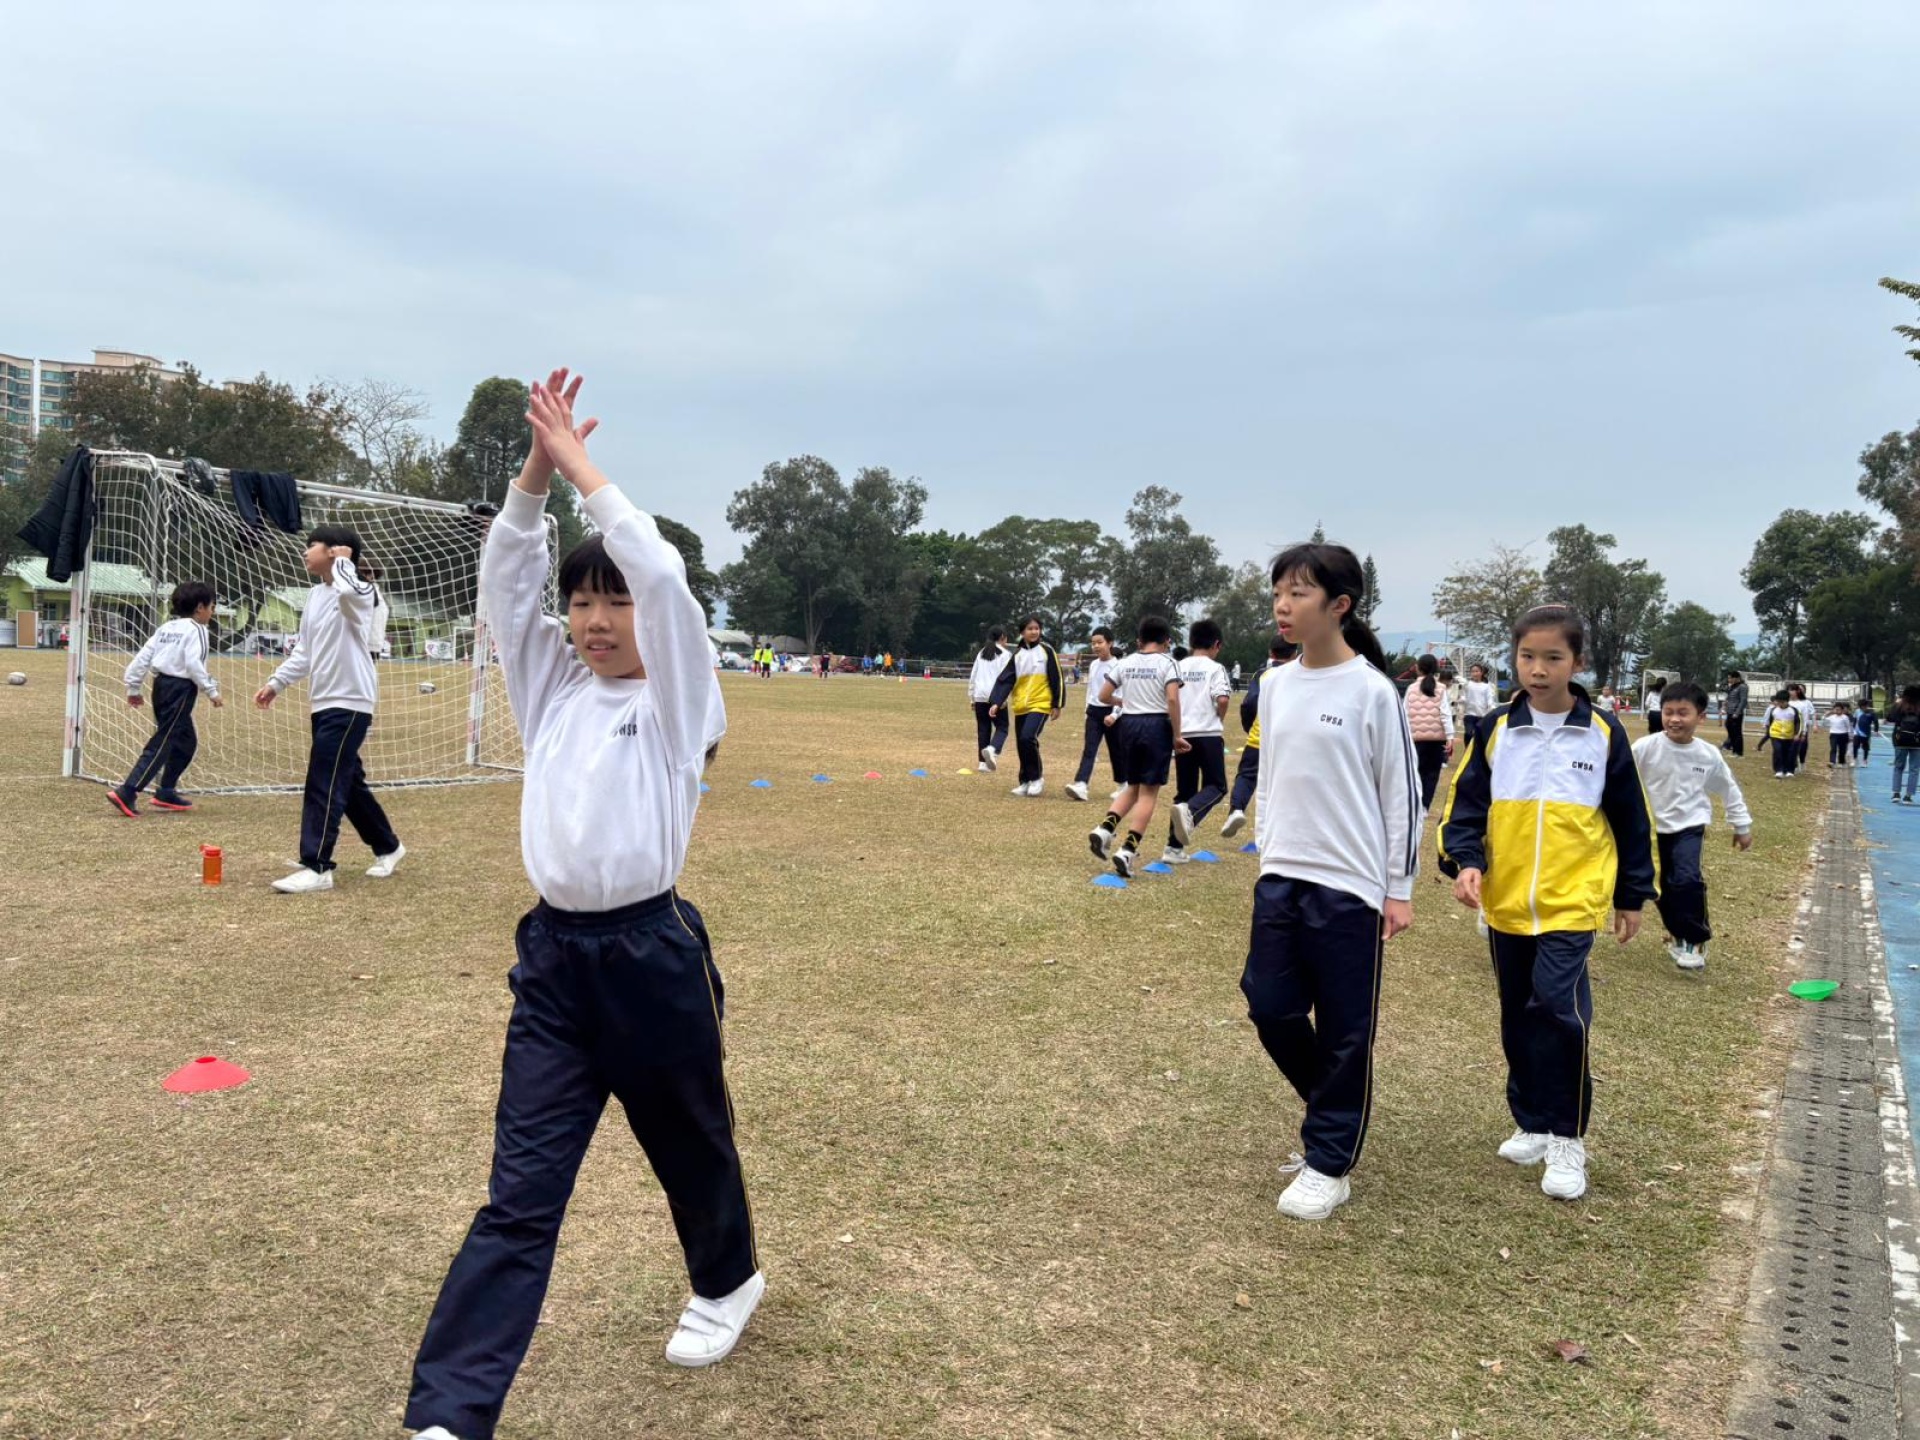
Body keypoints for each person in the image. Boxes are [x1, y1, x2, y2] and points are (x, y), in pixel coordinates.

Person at [406, 372, 759, 1440]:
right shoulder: (552, 691)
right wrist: (533, 475)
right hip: (555, 963)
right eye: (582, 602)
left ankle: (728, 1281)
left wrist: (586, 474)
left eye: (615, 602)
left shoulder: (681, 703)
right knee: (519, 1195)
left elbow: (667, 580)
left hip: (651, 956)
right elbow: (505, 581)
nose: (597, 621)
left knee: (690, 1144)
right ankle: (449, 1414)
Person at [1438, 603, 1655, 1204]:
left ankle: (1566, 1136)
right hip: (1507, 902)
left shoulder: (1603, 733)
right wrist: (1467, 861)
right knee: (1518, 1014)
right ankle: (1532, 1120)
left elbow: (1632, 818)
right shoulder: (1495, 729)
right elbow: (1465, 807)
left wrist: (1632, 895)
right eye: (1527, 656)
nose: (1538, 669)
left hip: (1572, 901)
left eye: (1553, 658)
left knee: (1558, 1010)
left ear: (1576, 663)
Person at [1243, 543, 1418, 1221]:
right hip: (1282, 875)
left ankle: (1329, 1162)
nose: (1283, 607)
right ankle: (1333, 1110)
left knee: (1346, 1028)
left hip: (1350, 885)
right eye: (1278, 594)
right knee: (1269, 1004)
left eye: (1299, 593)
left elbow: (1401, 794)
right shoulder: (1275, 684)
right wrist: (1267, 851)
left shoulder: (1373, 691)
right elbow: (1270, 778)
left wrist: (1398, 888)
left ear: (1339, 605)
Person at [253, 526, 404, 894]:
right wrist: (276, 682)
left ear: (336, 551)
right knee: (347, 782)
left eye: (313, 546)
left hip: (350, 701)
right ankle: (388, 846)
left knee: (324, 780)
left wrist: (345, 564)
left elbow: (351, 594)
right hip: (323, 700)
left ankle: (317, 865)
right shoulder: (314, 595)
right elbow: (305, 650)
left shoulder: (361, 590)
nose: (305, 552)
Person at [1632, 681, 1752, 970]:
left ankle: (1696, 940)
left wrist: (1741, 825)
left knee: (1686, 880)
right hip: (1651, 830)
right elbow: (1619, 780)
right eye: (1668, 712)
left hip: (1689, 827)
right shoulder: (1645, 748)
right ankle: (1677, 934)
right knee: (1659, 888)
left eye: (1683, 713)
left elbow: (1728, 789)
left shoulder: (1708, 754)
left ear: (1701, 717)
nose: (1674, 719)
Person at [109, 580, 224, 816]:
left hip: (160, 686)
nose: (212, 612)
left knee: (186, 741)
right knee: (164, 741)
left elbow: (143, 657)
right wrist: (211, 690)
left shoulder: (166, 628)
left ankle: (166, 791)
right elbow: (194, 664)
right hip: (180, 689)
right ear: (200, 607)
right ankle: (128, 791)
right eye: (212, 607)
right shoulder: (198, 630)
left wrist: (133, 687)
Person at [1088, 615, 1184, 877]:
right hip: (1156, 726)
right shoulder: (1169, 663)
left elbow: (1103, 695)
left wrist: (1123, 702)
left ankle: (1105, 829)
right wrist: (1178, 735)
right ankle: (1128, 849)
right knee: (1149, 792)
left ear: (1140, 640)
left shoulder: (1126, 661)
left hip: (1128, 725)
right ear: (1167, 641)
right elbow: (1172, 700)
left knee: (1132, 785)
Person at [1165, 618, 1233, 861]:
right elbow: (1222, 699)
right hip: (1208, 734)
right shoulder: (1216, 668)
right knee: (1217, 786)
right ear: (1217, 644)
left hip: (1182, 734)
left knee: (1185, 791)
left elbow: (1168, 698)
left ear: (1192, 642)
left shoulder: (1177, 666)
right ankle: (1190, 813)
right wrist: (1219, 717)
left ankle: (1173, 848)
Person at [1221, 637, 1299, 839]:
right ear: (1295, 653)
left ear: (1271, 653)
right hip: (1290, 742)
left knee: (1247, 776)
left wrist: (1250, 727)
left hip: (1259, 738)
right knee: (1283, 784)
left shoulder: (1263, 674)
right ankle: (1280, 828)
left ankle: (1236, 809)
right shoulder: (1302, 675)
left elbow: (1250, 703)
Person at [987, 615, 1065, 797]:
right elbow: (1006, 679)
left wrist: (1057, 704)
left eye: (1037, 628)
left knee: (1028, 737)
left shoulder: (1047, 651)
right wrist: (997, 702)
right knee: (1022, 743)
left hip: (1041, 703)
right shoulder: (1018, 655)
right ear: (1022, 632)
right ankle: (1024, 781)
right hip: (1021, 704)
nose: (1034, 631)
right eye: (1030, 629)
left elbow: (1057, 677)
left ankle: (1037, 778)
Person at [1066, 626, 1122, 802]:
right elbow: (1091, 690)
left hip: (1111, 713)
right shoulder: (1093, 664)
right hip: (1094, 711)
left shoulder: (1118, 666)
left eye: (1100, 642)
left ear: (1110, 643)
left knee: (1116, 751)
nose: (1096, 646)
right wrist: (1087, 710)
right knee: (1089, 749)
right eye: (1093, 643)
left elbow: (1121, 694)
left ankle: (1124, 784)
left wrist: (1114, 715)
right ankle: (1081, 784)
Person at [1402, 653, 1455, 811]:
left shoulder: (1411, 688)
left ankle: (1415, 804)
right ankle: (1425, 806)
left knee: (1416, 772)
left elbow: (1404, 713)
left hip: (1415, 738)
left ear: (1418, 668)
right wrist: (1450, 736)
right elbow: (1445, 713)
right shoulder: (1441, 688)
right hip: (1436, 739)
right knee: (1432, 774)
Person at [967, 627, 1012, 771]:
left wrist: (972, 698)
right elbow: (1007, 678)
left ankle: (982, 763)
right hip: (996, 695)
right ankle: (992, 750)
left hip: (980, 695)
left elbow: (973, 675)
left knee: (983, 728)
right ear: (1003, 637)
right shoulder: (1006, 654)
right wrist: (1003, 698)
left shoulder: (982, 652)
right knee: (1002, 727)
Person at [1764, 689, 1803, 778]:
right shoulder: (1773, 710)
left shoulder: (1794, 710)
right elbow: (1770, 722)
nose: (1780, 704)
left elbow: (1798, 723)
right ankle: (1778, 770)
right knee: (1778, 751)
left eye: (1782, 702)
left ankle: (1789, 770)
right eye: (1778, 702)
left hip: (1789, 736)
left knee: (1789, 753)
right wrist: (1768, 731)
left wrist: (1797, 734)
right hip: (1775, 735)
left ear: (1787, 701)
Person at [1892, 686, 1920, 803]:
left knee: (1898, 767)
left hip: (1900, 740)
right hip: (1917, 741)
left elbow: (1890, 718)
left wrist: (1896, 703)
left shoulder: (1900, 705)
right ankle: (1908, 796)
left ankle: (1896, 794)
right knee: (1914, 769)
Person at [1462, 663, 1496, 751]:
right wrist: (1460, 700)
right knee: (1469, 734)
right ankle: (1468, 751)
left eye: (1477, 671)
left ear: (1481, 672)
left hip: (1482, 716)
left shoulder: (1486, 686)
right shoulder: (1467, 684)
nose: (1475, 673)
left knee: (1480, 737)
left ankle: (1478, 753)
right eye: (1473, 671)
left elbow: (1489, 699)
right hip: (1469, 715)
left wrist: (1492, 707)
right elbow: (1463, 697)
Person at [1789, 684, 1816, 772]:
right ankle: (1794, 764)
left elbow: (1812, 714)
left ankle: (1802, 761)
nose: (1799, 690)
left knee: (1802, 746)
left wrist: (1814, 725)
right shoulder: (1788, 702)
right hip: (1790, 727)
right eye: (1798, 688)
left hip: (1802, 727)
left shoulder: (1806, 702)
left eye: (1801, 689)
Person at [1721, 670, 1748, 757]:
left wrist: (1737, 712)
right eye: (1728, 678)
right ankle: (1733, 750)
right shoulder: (1732, 687)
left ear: (1737, 678)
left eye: (1730, 678)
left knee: (1737, 732)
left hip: (1736, 713)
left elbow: (1743, 700)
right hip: (1730, 711)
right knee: (1730, 729)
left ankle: (1738, 753)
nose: (1729, 680)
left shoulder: (1743, 687)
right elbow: (1724, 690)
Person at [1826, 702, 1855, 768]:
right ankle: (1832, 761)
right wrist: (1827, 714)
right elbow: (1824, 722)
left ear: (1842, 710)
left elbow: (1848, 727)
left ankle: (1841, 762)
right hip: (1833, 734)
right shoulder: (1832, 717)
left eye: (1838, 709)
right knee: (1833, 748)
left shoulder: (1845, 717)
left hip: (1843, 734)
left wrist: (1850, 736)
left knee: (1842, 749)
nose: (1837, 711)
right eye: (1836, 709)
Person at [1854, 696, 1879, 767]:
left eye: (1865, 706)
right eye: (1861, 706)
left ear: (1867, 706)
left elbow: (1876, 721)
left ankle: (1864, 761)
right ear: (1860, 706)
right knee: (1855, 746)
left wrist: (1876, 730)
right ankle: (1855, 759)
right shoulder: (1857, 711)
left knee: (1865, 747)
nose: (1863, 708)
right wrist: (1853, 730)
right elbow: (1855, 721)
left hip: (1866, 733)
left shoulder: (1871, 712)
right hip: (1857, 732)